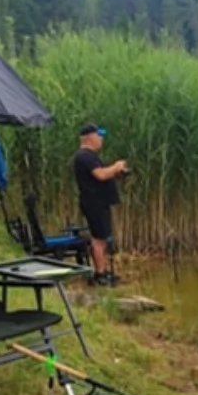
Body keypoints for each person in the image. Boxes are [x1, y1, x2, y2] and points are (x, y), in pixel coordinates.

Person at [73, 123, 128, 286]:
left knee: (102, 238)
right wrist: (116, 166)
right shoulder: (84, 156)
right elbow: (101, 175)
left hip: (99, 202)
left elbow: (103, 176)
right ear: (89, 137)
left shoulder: (91, 156)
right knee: (99, 238)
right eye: (99, 135)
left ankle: (102, 270)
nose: (101, 139)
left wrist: (117, 174)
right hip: (93, 203)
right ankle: (99, 275)